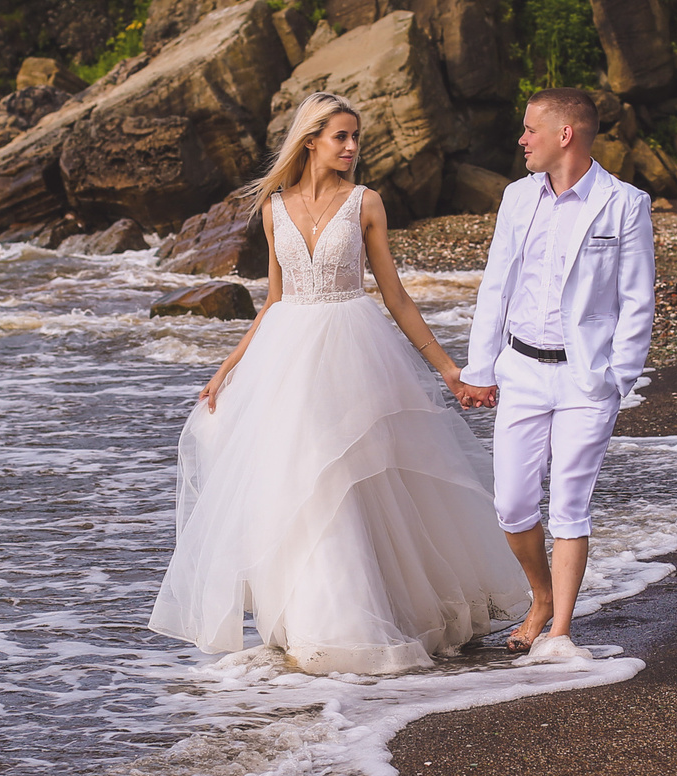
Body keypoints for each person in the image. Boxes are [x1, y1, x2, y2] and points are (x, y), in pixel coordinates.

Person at [146, 92, 529, 674]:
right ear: (310, 141)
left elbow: (394, 295)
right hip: (287, 358)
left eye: (356, 139)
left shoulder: (365, 203)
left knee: (350, 478)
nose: (352, 149)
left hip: (354, 349)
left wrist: (447, 368)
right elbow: (275, 300)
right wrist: (230, 365)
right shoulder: (274, 209)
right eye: (341, 138)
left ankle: (371, 617)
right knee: (297, 483)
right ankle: (314, 623)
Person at [454, 89, 656, 660]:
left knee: (570, 503)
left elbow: (638, 299)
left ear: (564, 134)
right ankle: (539, 597)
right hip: (520, 369)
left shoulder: (624, 203)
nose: (521, 139)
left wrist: (619, 378)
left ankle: (560, 632)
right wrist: (480, 369)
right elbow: (495, 286)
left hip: (587, 378)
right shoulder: (518, 198)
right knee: (513, 504)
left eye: (529, 130)